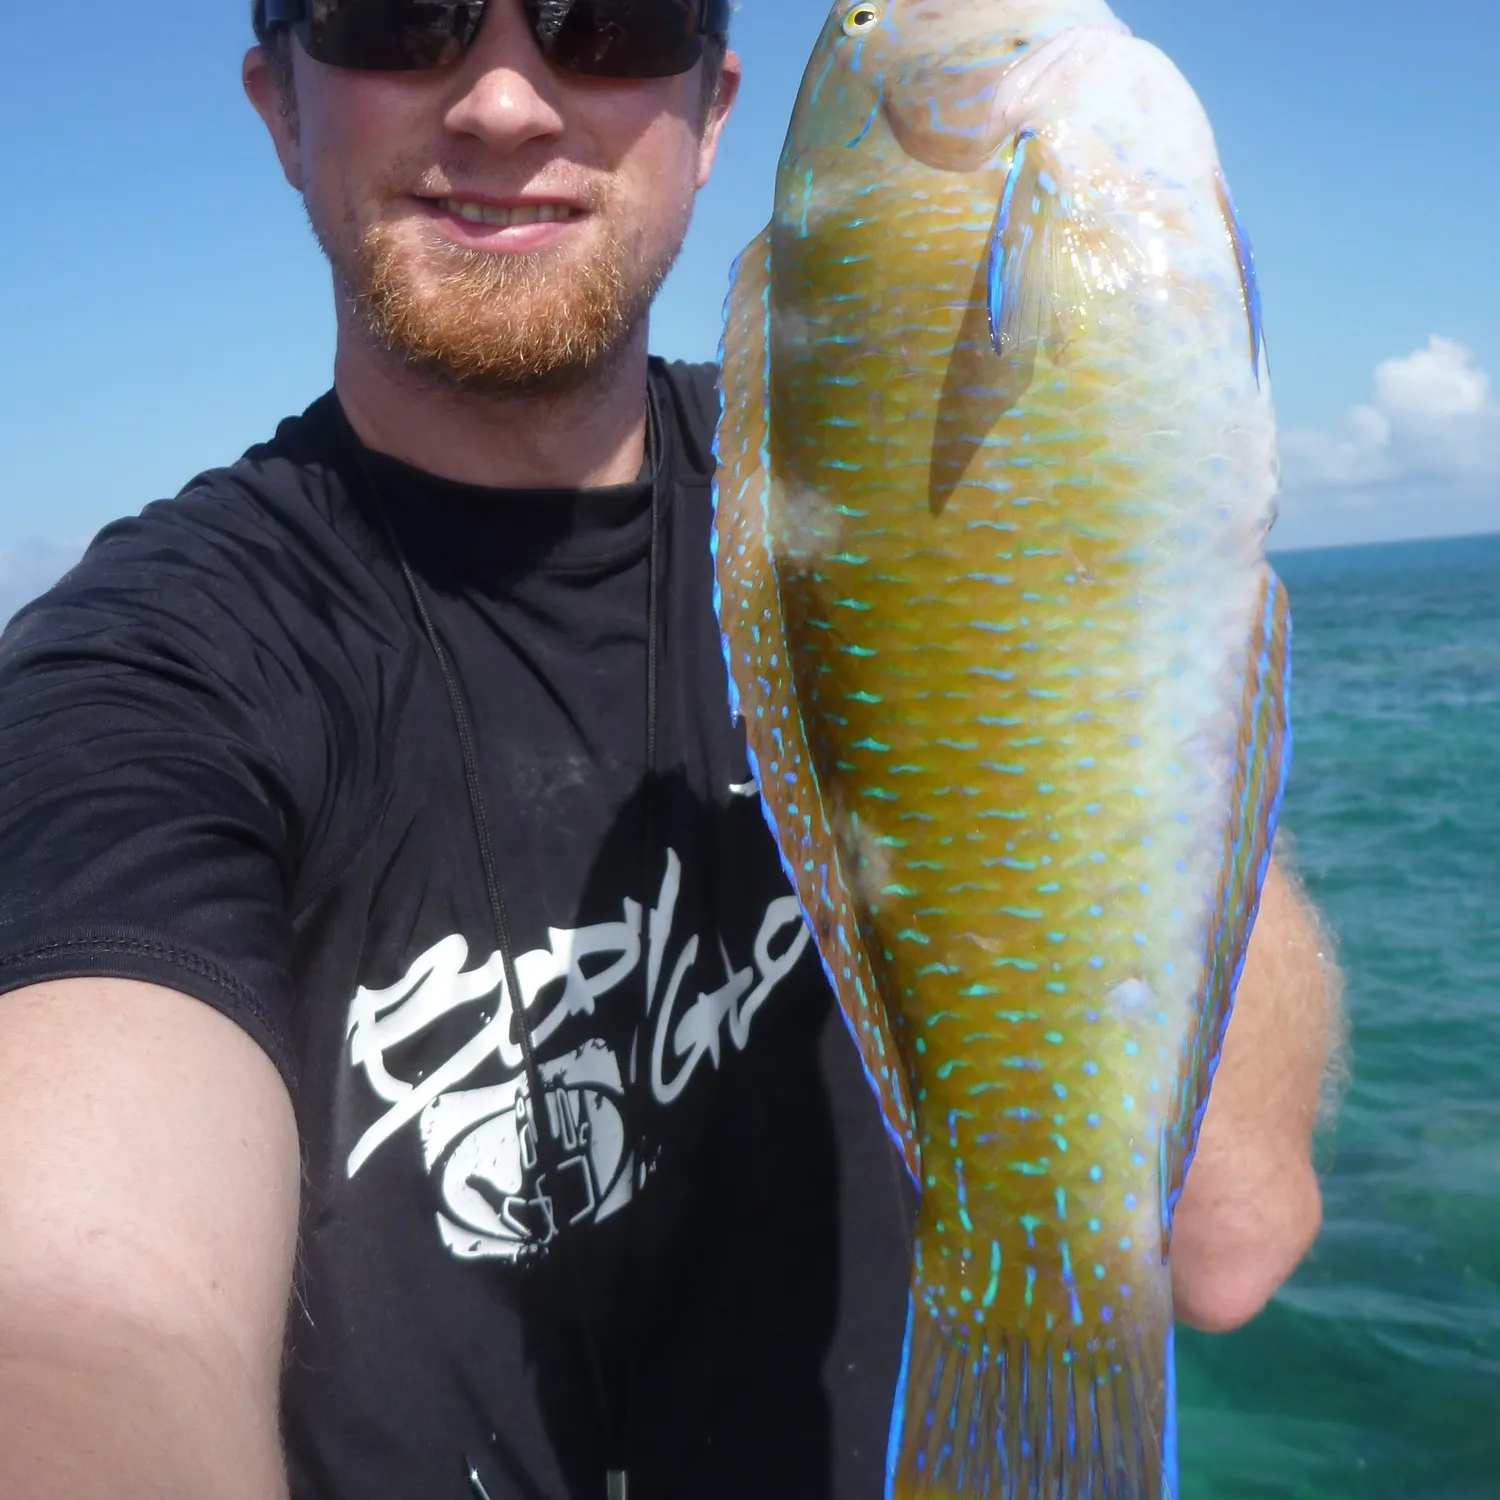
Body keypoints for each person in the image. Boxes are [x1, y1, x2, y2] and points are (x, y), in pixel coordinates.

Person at [0, 2, 1340, 1497]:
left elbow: (1233, 1233)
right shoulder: (144, 671)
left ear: (713, 116)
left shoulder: (859, 528)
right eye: (398, 12)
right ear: (277, 105)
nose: (505, 100)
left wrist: (1106, 651)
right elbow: (79, 1314)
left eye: (611, 19)